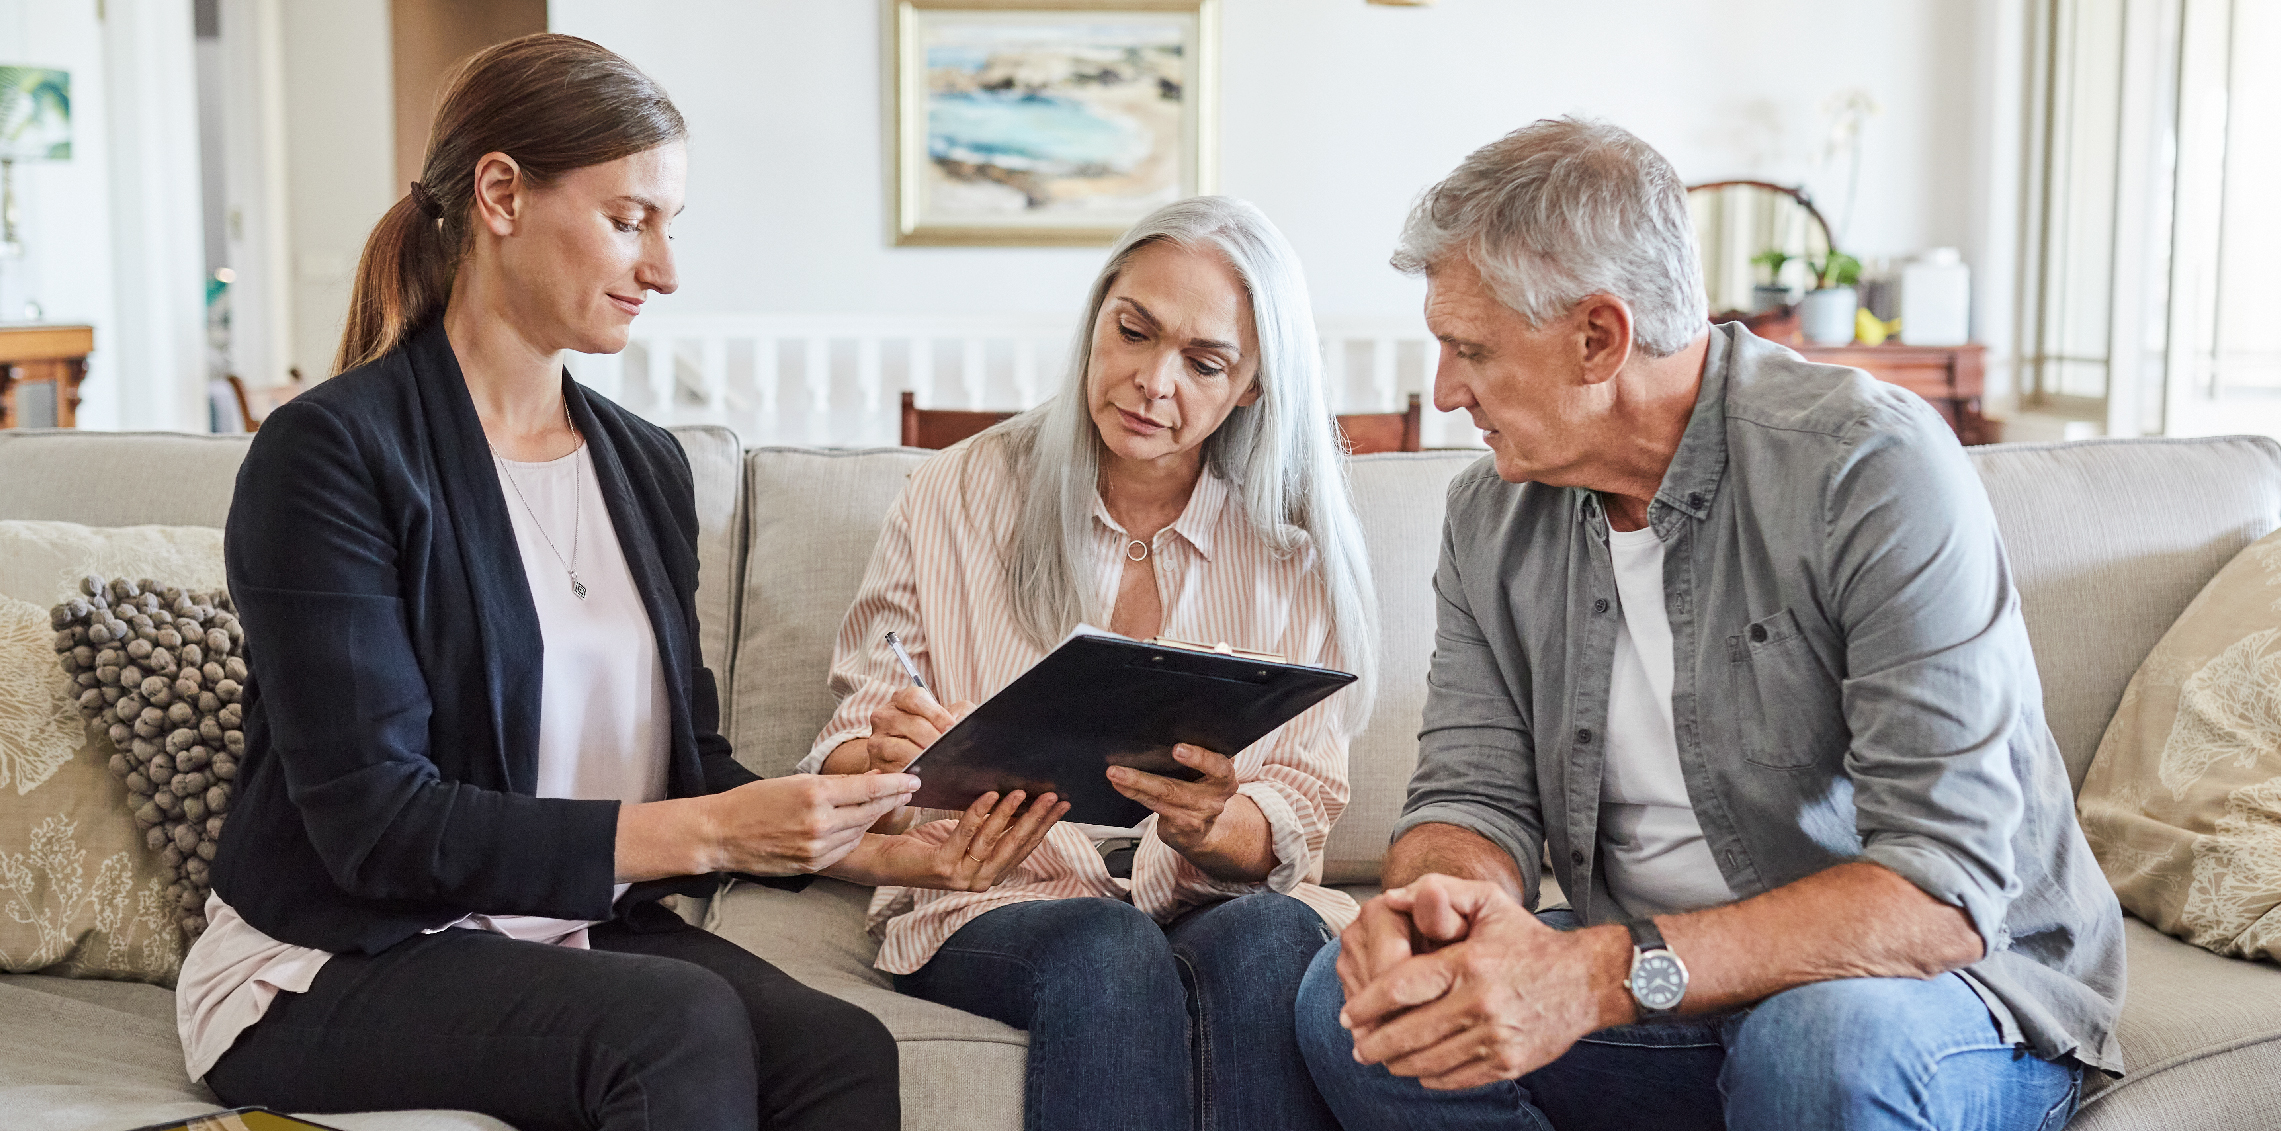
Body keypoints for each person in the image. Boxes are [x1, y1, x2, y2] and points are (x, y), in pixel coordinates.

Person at [181, 35, 1064, 1131]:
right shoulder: (334, 454)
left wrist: (884, 845)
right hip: (334, 960)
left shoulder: (643, 464)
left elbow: (683, 768)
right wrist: (716, 833)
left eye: (669, 227)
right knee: (672, 1023)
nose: (664, 270)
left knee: (839, 1052)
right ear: (500, 192)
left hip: (568, 934)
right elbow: (376, 827)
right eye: (628, 219)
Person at [1293, 118, 2126, 1131]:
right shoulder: (1492, 512)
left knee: (1813, 1039)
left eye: (1470, 350)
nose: (1446, 390)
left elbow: (1937, 893)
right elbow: (1468, 790)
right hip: (1663, 993)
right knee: (1353, 1009)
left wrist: (1594, 975)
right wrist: (1433, 909)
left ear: (1597, 336)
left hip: (1938, 998)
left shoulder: (1865, 465)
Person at [805, 196, 1377, 1131]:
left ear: (1252, 386)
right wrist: (885, 756)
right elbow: (846, 736)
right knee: (1105, 946)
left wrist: (1215, 823)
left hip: (1201, 888)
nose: (1153, 382)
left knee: (1276, 938)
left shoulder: (1291, 547)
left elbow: (1300, 808)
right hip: (996, 894)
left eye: (1204, 362)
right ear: (1096, 319)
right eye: (1133, 332)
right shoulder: (955, 491)